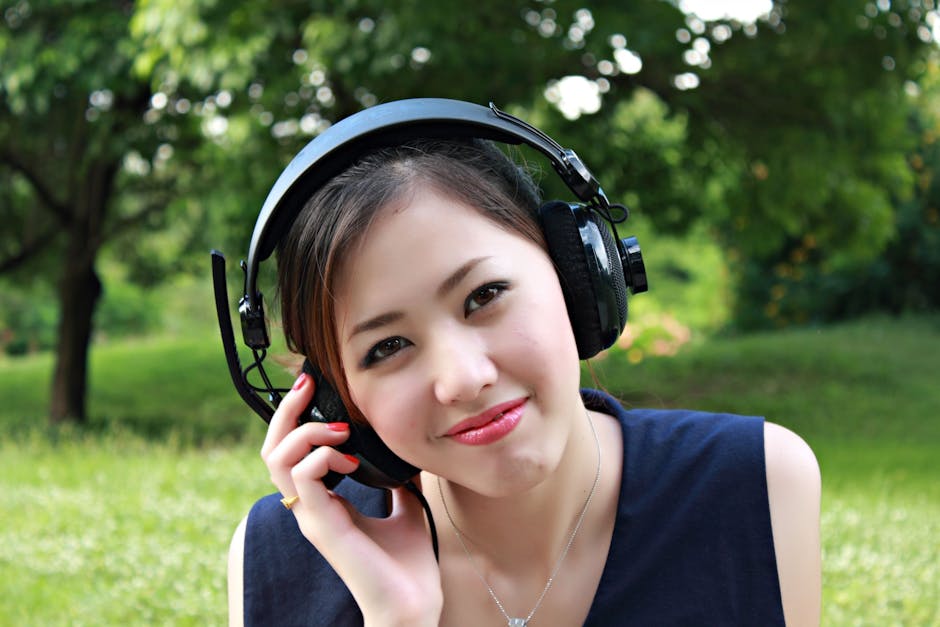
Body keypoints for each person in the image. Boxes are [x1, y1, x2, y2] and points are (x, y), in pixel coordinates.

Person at [225, 104, 821, 626]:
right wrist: (396, 620)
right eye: (386, 347)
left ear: (579, 276)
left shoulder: (756, 486)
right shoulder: (277, 559)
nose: (464, 379)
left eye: (483, 296)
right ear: (334, 396)